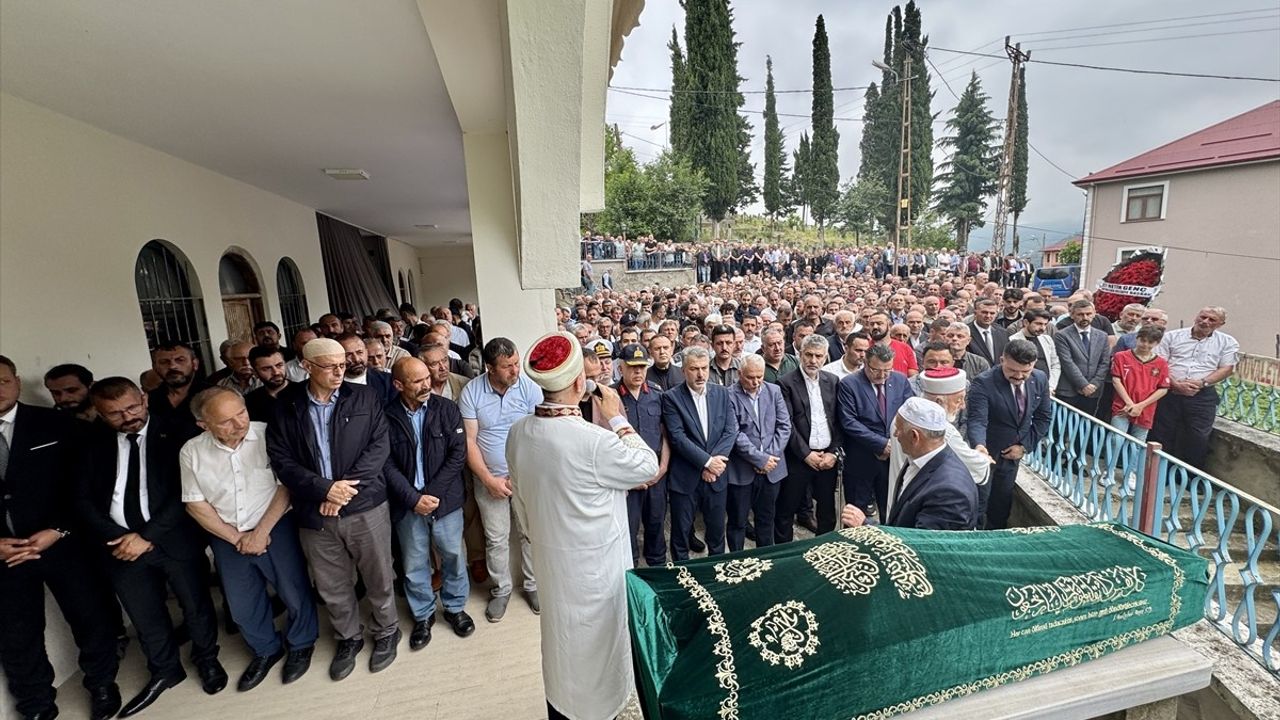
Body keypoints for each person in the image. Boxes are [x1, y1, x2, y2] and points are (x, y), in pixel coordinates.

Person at [506, 331, 659, 720]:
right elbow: (647, 466)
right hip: (596, 572)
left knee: (561, 645)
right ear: (579, 383)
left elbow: (521, 502)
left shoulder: (518, 431)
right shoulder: (593, 441)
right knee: (597, 651)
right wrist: (617, 417)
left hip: (551, 563)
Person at [80, 377, 227, 716]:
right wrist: (120, 536)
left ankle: (207, 658)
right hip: (119, 546)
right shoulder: (90, 444)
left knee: (195, 605)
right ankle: (165, 670)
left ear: (144, 399)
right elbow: (82, 499)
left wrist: (146, 536)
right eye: (114, 413)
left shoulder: (179, 433)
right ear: (99, 413)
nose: (127, 417)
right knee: (144, 614)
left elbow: (185, 492)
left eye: (132, 407)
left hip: (173, 538)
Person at [265, 338, 400, 681]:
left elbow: (378, 448)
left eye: (342, 365)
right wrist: (324, 489)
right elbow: (282, 460)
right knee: (332, 583)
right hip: (315, 511)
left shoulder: (365, 397)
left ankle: (387, 630)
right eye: (330, 366)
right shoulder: (286, 404)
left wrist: (340, 492)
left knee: (379, 574)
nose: (340, 372)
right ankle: (348, 637)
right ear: (306, 366)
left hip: (365, 505)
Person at [0, 356, 123, 720]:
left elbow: (87, 486)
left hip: (63, 542)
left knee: (89, 616)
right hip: (6, 553)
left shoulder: (57, 424)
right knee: (16, 633)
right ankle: (36, 704)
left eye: (2, 381)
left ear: (16, 381)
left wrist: (59, 529)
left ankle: (102, 683)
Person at [180, 388, 318, 691]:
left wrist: (260, 533)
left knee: (293, 589)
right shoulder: (192, 451)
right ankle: (266, 649)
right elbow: (195, 503)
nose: (239, 423)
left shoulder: (268, 433)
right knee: (242, 602)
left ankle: (301, 643)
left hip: (275, 524)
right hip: (227, 534)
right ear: (204, 425)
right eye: (226, 421)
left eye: (241, 413)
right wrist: (237, 538)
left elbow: (285, 486)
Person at [382, 358, 475, 652]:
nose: (426, 385)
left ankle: (455, 608)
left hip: (444, 501)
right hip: (408, 505)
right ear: (398, 385)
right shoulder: (386, 416)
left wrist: (431, 494)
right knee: (413, 563)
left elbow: (457, 455)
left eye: (426, 378)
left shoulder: (446, 409)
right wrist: (413, 499)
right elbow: (385, 463)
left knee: (454, 556)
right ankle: (423, 615)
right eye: (417, 381)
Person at [458, 337, 542, 622]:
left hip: (526, 477)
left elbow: (539, 433)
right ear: (490, 368)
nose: (515, 371)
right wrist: (488, 480)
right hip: (488, 479)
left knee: (530, 534)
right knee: (495, 538)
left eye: (516, 363)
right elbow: (469, 441)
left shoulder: (528, 387)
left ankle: (533, 585)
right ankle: (501, 589)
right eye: (508, 366)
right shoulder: (472, 392)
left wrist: (526, 473)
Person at [841, 398, 978, 531]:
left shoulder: (948, 494)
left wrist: (865, 526)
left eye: (898, 429)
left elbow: (921, 543)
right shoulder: (918, 458)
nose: (895, 434)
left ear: (914, 436)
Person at [966, 340, 1053, 530]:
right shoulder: (984, 382)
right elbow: (977, 420)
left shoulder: (1039, 378)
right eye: (1013, 370)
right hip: (986, 453)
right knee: (978, 503)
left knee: (1001, 504)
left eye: (1025, 371)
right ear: (1002, 360)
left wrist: (1024, 446)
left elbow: (1043, 417)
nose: (1019, 376)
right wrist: (979, 446)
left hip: (1012, 456)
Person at [661, 346, 736, 560]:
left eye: (704, 368)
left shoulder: (722, 393)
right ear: (683, 370)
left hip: (717, 477)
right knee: (681, 534)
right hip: (685, 478)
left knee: (717, 533)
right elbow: (678, 437)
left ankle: (716, 571)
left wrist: (715, 464)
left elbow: (731, 430)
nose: (701, 374)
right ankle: (682, 575)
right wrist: (707, 462)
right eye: (694, 369)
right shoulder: (671, 398)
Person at [889, 368, 990, 507]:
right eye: (958, 400)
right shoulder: (940, 432)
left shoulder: (903, 416)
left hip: (899, 493)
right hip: (921, 500)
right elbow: (974, 466)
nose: (963, 406)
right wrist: (984, 457)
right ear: (939, 401)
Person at [1151, 307, 1238, 468]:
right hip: (1169, 391)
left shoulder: (1227, 342)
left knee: (1198, 437)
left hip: (1202, 395)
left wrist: (1202, 383)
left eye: (1212, 320)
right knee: (1162, 432)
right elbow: (1158, 363)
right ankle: (1158, 472)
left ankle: (1189, 476)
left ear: (1221, 324)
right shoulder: (1172, 336)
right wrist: (1175, 384)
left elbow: (1227, 368)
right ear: (1196, 317)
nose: (1205, 322)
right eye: (1203, 317)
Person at [837, 344, 914, 522]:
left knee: (892, 510)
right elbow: (849, 421)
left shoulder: (900, 381)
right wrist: (881, 444)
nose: (882, 375)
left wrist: (894, 445)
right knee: (856, 513)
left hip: (894, 459)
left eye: (887, 370)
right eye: (876, 370)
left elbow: (909, 413)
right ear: (865, 363)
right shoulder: (850, 384)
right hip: (862, 459)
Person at [777, 335, 842, 542]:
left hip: (827, 458)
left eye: (818, 356)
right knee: (786, 510)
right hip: (798, 459)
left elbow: (838, 422)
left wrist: (833, 453)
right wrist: (806, 454)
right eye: (809, 355)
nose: (813, 360)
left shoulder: (832, 381)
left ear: (826, 357)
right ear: (800, 355)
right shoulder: (785, 383)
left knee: (827, 511)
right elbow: (787, 424)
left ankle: (824, 549)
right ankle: (785, 553)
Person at [725, 355, 790, 550]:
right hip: (742, 471)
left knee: (766, 520)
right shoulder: (728, 395)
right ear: (740, 374)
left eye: (759, 377)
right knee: (738, 522)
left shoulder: (774, 391)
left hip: (772, 470)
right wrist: (760, 459)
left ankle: (766, 559)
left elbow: (784, 426)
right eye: (750, 377)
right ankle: (736, 561)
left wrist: (770, 458)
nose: (755, 382)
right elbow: (734, 433)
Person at [616, 343, 670, 567]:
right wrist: (627, 478)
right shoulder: (610, 396)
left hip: (656, 475)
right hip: (627, 480)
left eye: (642, 366)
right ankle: (632, 572)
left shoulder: (657, 394)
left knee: (656, 524)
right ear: (621, 368)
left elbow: (665, 435)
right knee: (628, 529)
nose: (638, 371)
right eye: (632, 367)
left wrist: (663, 467)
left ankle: (657, 568)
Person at [1109, 326, 1171, 442]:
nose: (1145, 345)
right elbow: (1116, 380)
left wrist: (1140, 406)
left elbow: (1163, 389)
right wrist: (1129, 403)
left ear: (1157, 343)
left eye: (1150, 342)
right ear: (1137, 338)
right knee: (1116, 440)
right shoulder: (1121, 356)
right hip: (1122, 406)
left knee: (1138, 443)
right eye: (1143, 340)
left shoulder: (1161, 363)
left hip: (1146, 409)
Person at [1054, 300, 1111, 416]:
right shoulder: (1061, 335)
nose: (1085, 317)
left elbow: (1104, 362)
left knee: (1086, 423)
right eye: (1080, 314)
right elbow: (1067, 362)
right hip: (1068, 390)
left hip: (1093, 391)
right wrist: (1083, 385)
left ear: (1094, 314)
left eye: (1088, 314)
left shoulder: (1102, 336)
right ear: (1072, 315)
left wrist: (1094, 384)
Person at [147, 341, 211, 441]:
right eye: (164, 362)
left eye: (180, 360)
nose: (172, 366)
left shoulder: (214, 395)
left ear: (195, 364)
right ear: (155, 368)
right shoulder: (148, 401)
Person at [1009, 309, 1061, 394]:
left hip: (1047, 388)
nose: (1042, 328)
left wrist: (1051, 386)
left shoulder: (1047, 339)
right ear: (1026, 322)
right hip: (1024, 389)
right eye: (1038, 324)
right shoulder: (1012, 340)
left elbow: (1055, 364)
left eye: (1045, 324)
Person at [336, 333, 395, 402]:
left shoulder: (387, 381)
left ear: (366, 352)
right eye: (348, 355)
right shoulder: (333, 384)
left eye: (359, 352)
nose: (356, 359)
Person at [244, 346, 291, 422]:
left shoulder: (304, 392)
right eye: (266, 369)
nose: (276, 372)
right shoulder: (250, 402)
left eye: (279, 365)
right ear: (255, 373)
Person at [968, 299, 1010, 368]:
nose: (988, 316)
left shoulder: (1003, 333)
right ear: (975, 313)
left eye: (992, 313)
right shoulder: (966, 332)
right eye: (984, 312)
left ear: (996, 315)